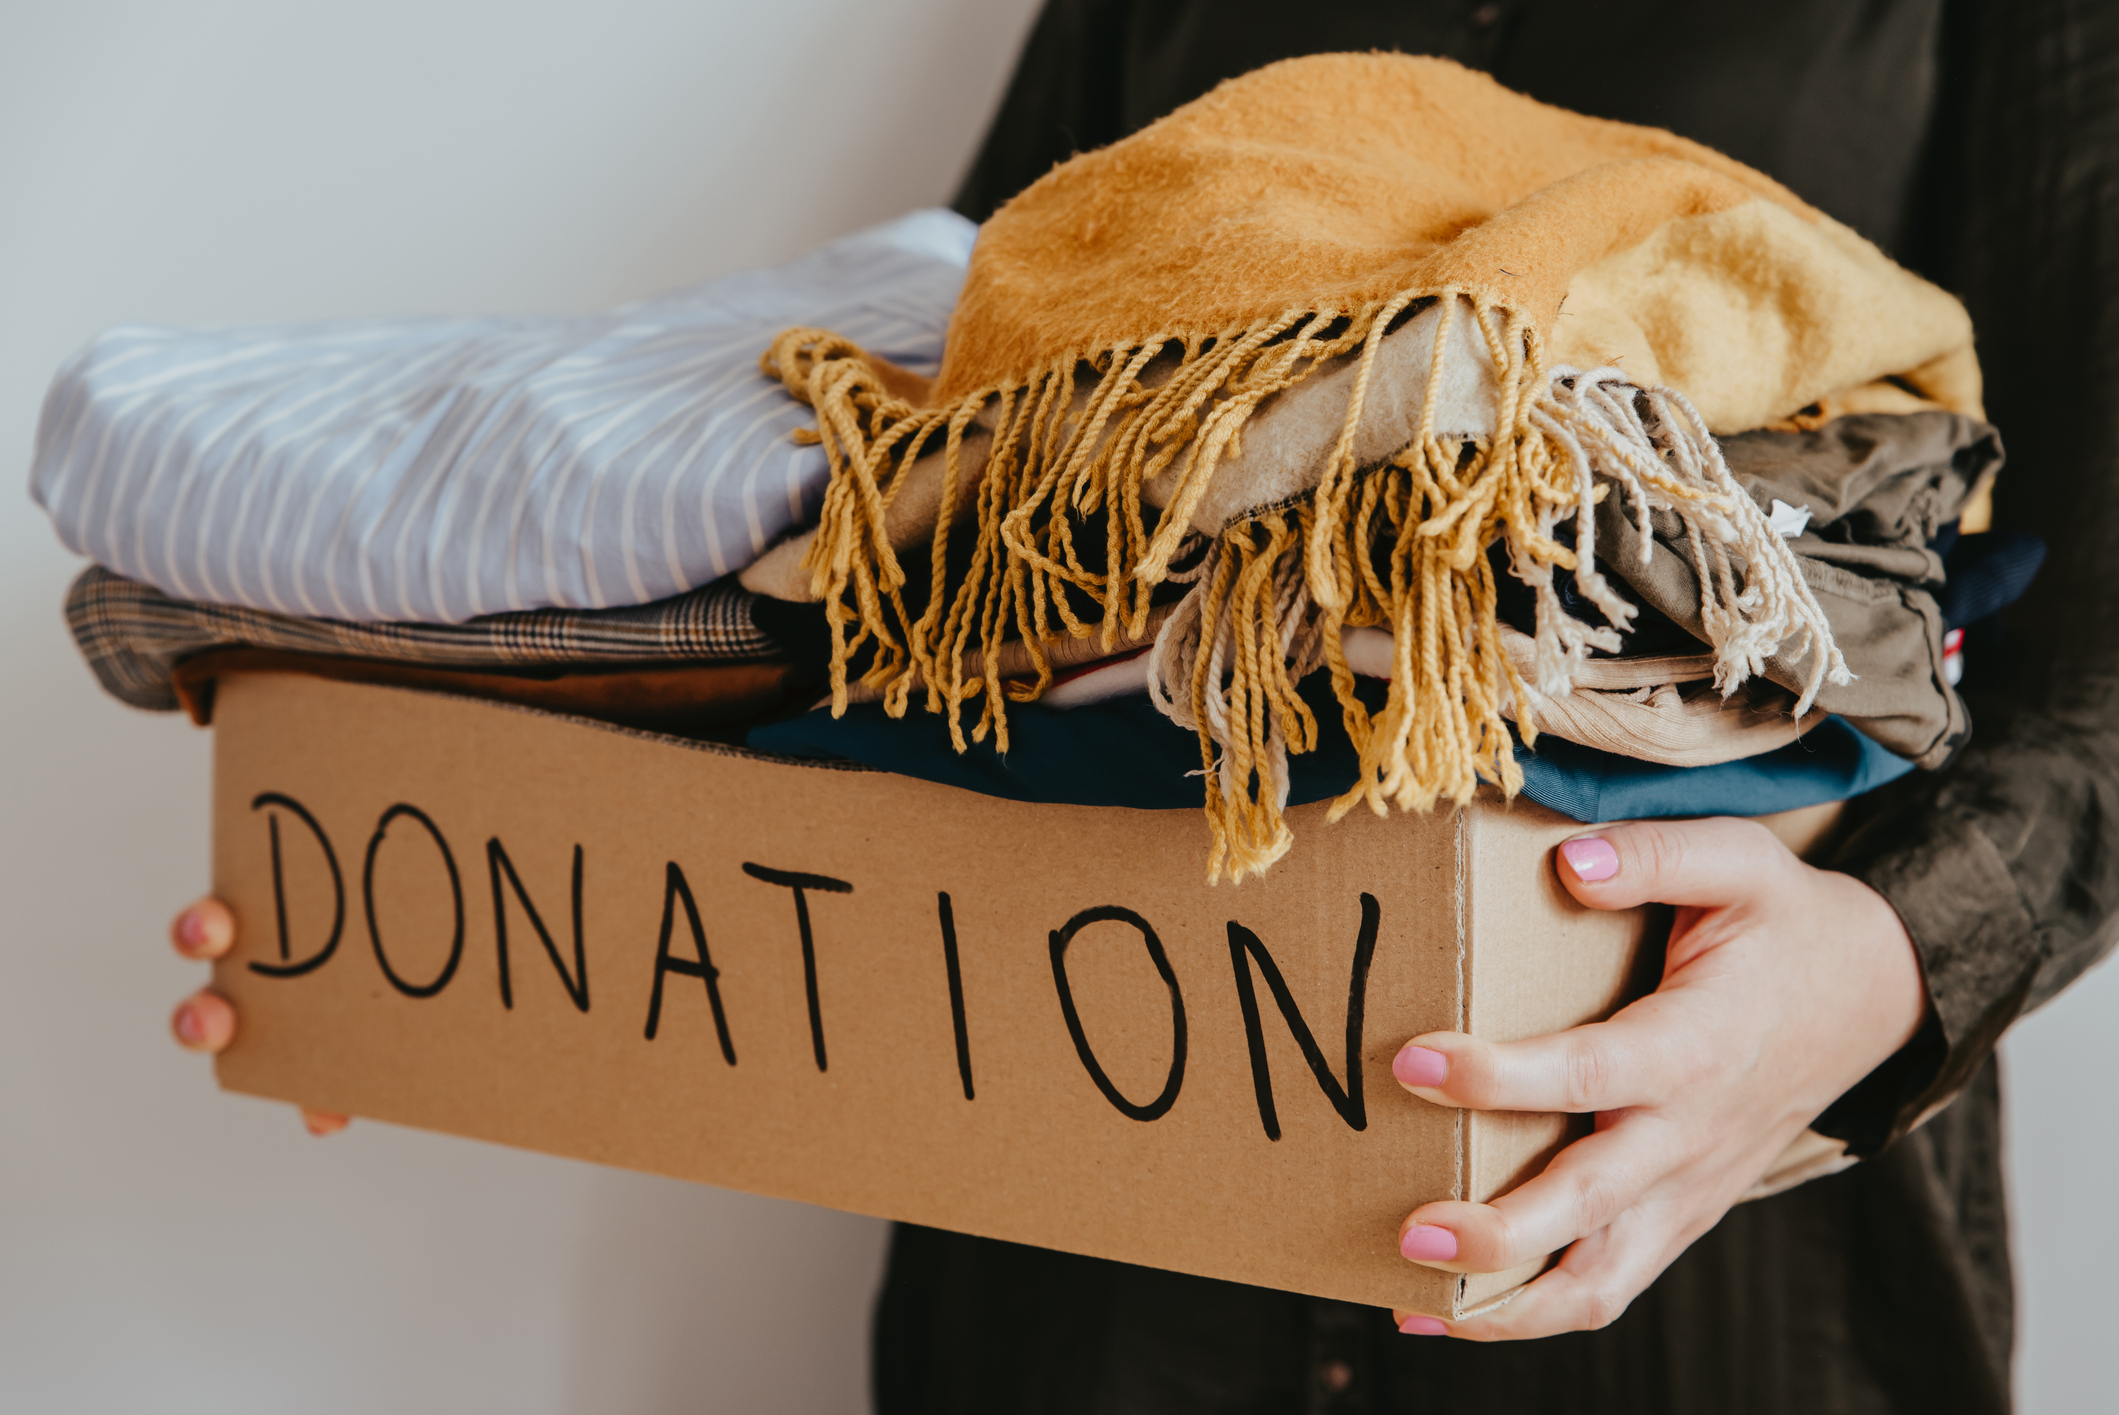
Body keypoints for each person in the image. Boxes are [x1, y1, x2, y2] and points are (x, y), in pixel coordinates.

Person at [163, 2, 2119, 1410]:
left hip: (1710, 1250)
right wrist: (508, 910)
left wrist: (1885, 962)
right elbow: (935, 518)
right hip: (1083, 1224)